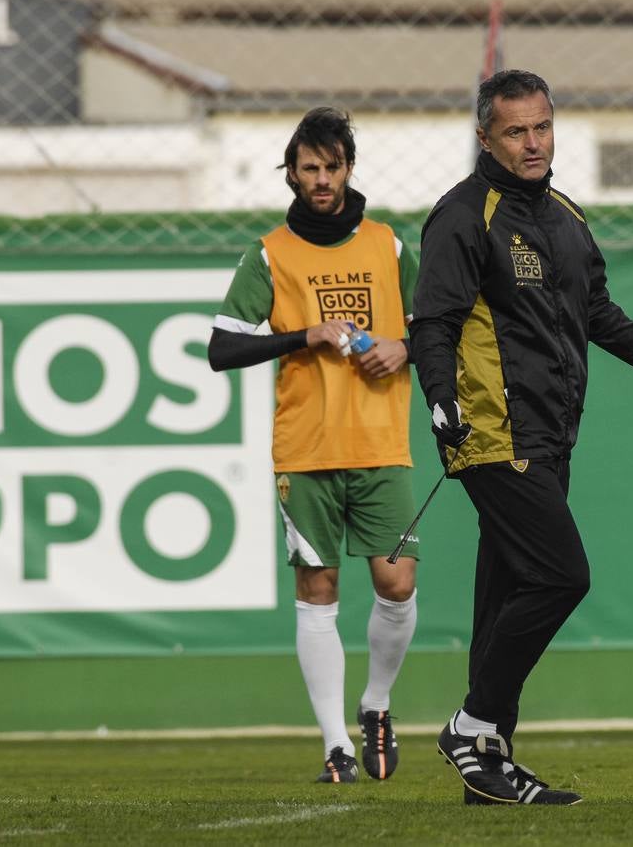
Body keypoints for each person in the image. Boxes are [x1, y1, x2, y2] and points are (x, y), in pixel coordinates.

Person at [411, 69, 633, 806]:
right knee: (562, 575)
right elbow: (431, 322)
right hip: (490, 430)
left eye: (542, 127)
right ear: (484, 138)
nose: (532, 143)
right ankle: (471, 728)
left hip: (552, 434)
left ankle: (486, 769)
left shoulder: (564, 216)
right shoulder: (464, 215)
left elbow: (599, 315)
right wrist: (440, 400)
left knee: (502, 600)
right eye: (515, 131)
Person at [207, 107, 420, 785]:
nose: (321, 179)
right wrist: (306, 335)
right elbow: (222, 347)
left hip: (382, 443)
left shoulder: (388, 247)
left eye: (332, 167)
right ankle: (335, 746)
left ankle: (376, 705)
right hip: (305, 450)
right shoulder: (270, 254)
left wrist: (402, 348)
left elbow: (436, 329)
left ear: (349, 168)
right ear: (291, 174)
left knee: (397, 581)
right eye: (309, 168)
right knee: (318, 588)